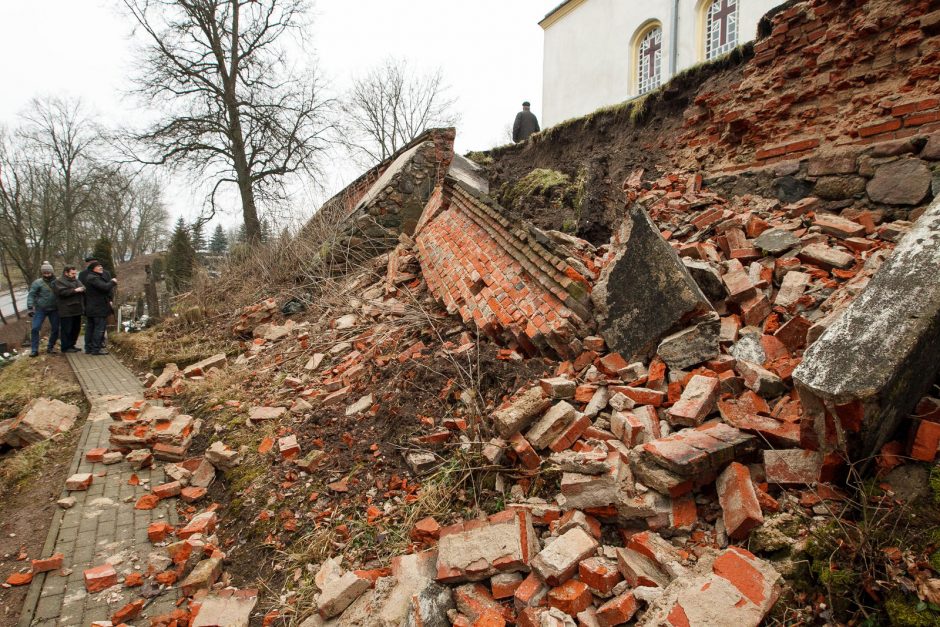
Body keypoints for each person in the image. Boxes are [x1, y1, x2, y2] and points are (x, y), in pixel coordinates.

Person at [26, 261, 60, 357]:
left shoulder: (57, 282)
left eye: (48, 272)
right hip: (41, 309)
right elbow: (31, 295)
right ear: (42, 273)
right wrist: (30, 307)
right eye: (45, 273)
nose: (47, 274)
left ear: (52, 272)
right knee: (35, 328)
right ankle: (34, 349)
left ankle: (50, 346)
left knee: (56, 328)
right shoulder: (37, 283)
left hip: (54, 309)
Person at [83, 262, 117, 355]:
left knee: (90, 328)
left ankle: (88, 348)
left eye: (101, 265)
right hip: (97, 308)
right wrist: (113, 282)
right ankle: (96, 349)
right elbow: (105, 287)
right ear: (93, 269)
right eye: (98, 266)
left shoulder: (92, 277)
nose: (101, 267)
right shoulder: (93, 278)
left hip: (92, 308)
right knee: (99, 328)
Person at [53, 265, 85, 353]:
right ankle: (65, 346)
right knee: (67, 328)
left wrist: (82, 289)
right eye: (72, 273)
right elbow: (61, 292)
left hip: (77, 308)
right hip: (66, 309)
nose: (74, 275)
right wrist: (75, 291)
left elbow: (83, 287)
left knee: (76, 328)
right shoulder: (59, 281)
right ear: (66, 273)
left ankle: (72, 344)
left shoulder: (76, 280)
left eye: (75, 273)